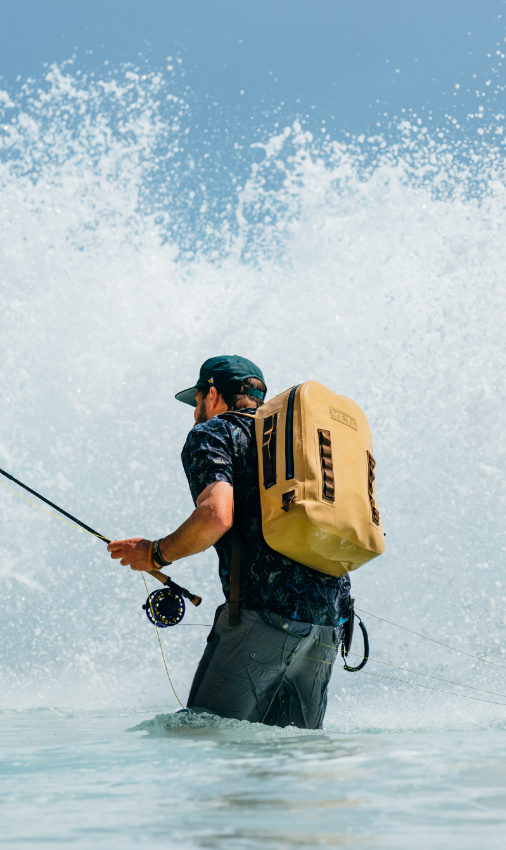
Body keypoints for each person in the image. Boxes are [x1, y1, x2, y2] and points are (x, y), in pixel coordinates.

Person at [107, 355, 351, 729]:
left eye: (197, 401)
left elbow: (216, 515)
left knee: (200, 735)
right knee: (295, 754)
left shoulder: (214, 433)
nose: (195, 414)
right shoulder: (294, 442)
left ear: (213, 394)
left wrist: (155, 554)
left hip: (262, 616)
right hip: (328, 621)